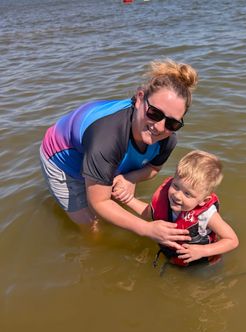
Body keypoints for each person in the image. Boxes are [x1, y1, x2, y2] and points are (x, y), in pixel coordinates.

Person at [40, 59, 198, 249]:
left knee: (116, 195)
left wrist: (129, 178)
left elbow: (154, 168)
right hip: (63, 159)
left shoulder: (168, 138)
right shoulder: (107, 138)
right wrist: (146, 229)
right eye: (154, 113)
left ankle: (103, 180)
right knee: (92, 225)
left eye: (172, 123)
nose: (159, 127)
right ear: (139, 98)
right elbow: (99, 202)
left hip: (103, 152)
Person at [125, 150, 239, 267]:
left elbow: (232, 240)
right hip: (171, 255)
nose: (177, 195)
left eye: (187, 194)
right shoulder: (166, 199)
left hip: (200, 263)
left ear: (203, 201)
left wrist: (203, 251)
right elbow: (149, 213)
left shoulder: (207, 215)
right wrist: (128, 199)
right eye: (175, 186)